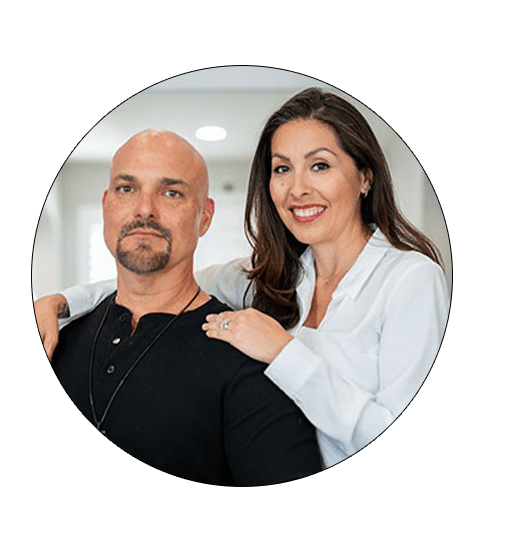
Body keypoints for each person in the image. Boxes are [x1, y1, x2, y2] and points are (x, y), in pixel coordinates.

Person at [35, 88, 450, 468]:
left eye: (319, 166)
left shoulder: (410, 281)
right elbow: (155, 279)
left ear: (365, 177)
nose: (297, 188)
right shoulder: (268, 275)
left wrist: (284, 353)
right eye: (282, 168)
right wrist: (63, 303)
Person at [46, 129, 323, 486]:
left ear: (205, 216)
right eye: (127, 189)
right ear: (105, 205)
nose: (144, 209)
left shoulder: (248, 363)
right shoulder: (57, 341)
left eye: (171, 193)